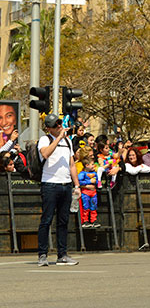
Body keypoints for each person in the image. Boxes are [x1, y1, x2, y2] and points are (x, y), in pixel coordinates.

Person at [37, 114, 80, 266]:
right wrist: (58, 138)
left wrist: (77, 185)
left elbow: (72, 164)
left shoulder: (67, 141)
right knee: (46, 220)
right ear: (48, 128)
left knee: (63, 221)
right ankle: (42, 254)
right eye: (55, 125)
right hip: (50, 184)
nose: (59, 127)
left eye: (60, 124)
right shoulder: (45, 140)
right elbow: (45, 153)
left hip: (65, 184)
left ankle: (62, 254)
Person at [77, 158, 100, 228]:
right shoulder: (82, 174)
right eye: (92, 164)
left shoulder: (94, 173)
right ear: (87, 165)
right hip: (85, 193)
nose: (94, 166)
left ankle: (93, 220)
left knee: (94, 206)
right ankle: (85, 221)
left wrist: (95, 182)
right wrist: (89, 181)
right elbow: (79, 182)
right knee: (85, 207)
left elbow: (97, 181)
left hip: (93, 193)